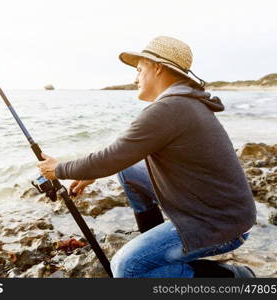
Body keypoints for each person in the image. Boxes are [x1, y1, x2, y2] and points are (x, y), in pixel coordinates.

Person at [37, 36, 257, 278]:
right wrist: (92, 175)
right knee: (127, 170)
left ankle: (232, 278)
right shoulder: (184, 103)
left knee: (126, 267)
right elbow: (123, 157)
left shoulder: (170, 108)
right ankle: (153, 244)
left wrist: (59, 169)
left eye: (140, 70)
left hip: (220, 224)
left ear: (158, 67)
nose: (135, 78)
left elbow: (111, 157)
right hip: (220, 210)